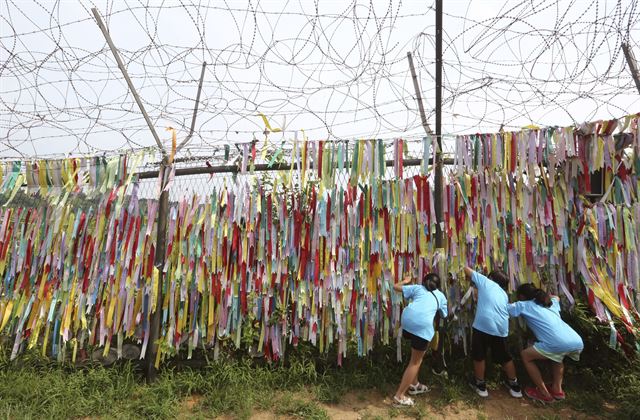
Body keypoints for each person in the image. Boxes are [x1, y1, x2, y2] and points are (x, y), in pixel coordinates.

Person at [508, 283, 584, 403]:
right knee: (557, 357)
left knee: (525, 355)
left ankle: (544, 393)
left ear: (521, 296)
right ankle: (557, 390)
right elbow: (556, 297)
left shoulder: (523, 305)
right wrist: (544, 296)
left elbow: (504, 308)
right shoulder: (549, 303)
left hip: (557, 343)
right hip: (576, 340)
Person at [464, 266, 522, 398]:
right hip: (501, 329)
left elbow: (466, 269)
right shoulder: (504, 294)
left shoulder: (486, 282)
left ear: (491, 278)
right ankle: (515, 385)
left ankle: (480, 385)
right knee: (505, 357)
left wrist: (475, 278)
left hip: (483, 325)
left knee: (479, 355)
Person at [392, 272, 448, 407]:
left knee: (415, 354)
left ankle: (414, 384)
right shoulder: (440, 296)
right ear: (438, 285)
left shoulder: (417, 288)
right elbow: (444, 315)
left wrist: (406, 280)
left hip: (407, 322)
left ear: (424, 282)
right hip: (422, 327)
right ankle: (399, 396)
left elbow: (395, 286)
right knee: (415, 362)